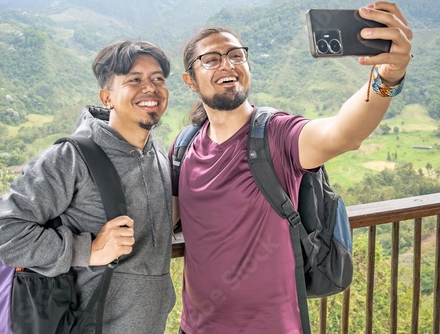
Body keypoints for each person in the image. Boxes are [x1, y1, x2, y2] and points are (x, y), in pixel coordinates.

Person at [170, 2, 412, 333]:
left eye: (236, 55)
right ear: (190, 81)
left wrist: (387, 76)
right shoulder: (184, 147)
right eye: (211, 59)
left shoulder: (276, 134)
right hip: (195, 327)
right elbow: (162, 218)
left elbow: (343, 133)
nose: (227, 64)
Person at [0, 40, 175, 333]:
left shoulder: (158, 157)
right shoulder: (71, 158)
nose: (150, 88)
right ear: (106, 97)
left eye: (158, 79)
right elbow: (0, 232)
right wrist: (89, 251)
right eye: (134, 79)